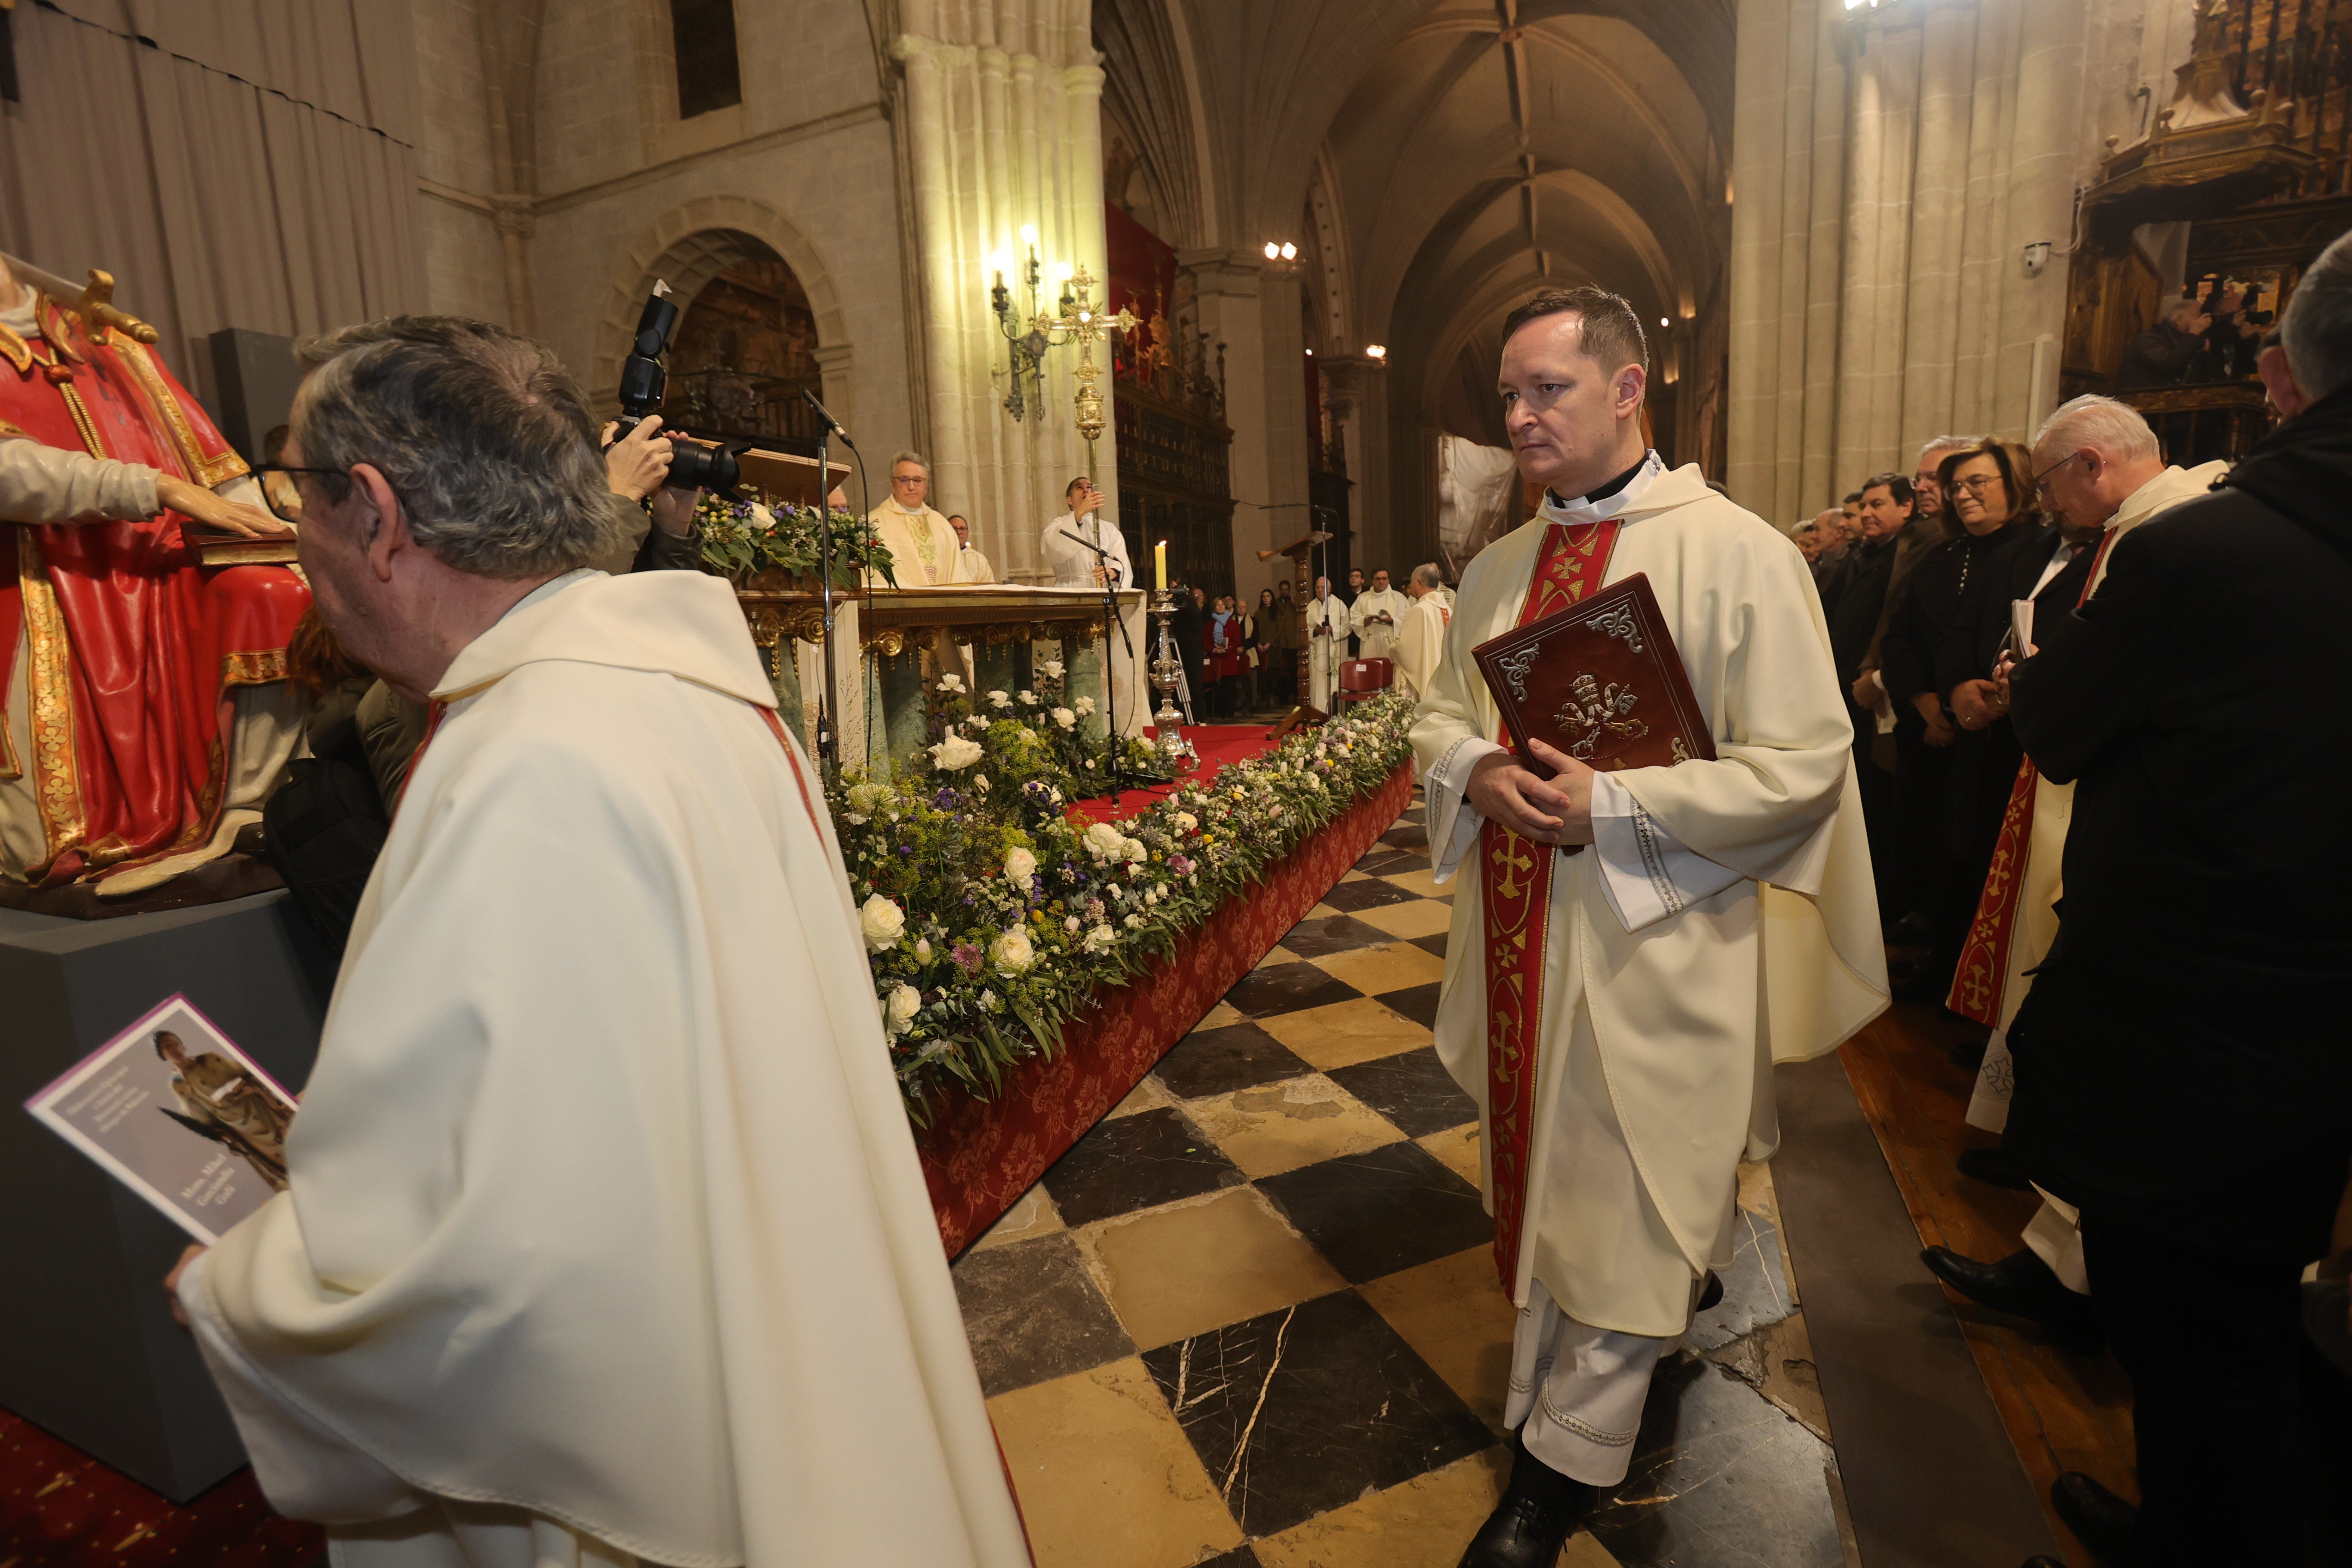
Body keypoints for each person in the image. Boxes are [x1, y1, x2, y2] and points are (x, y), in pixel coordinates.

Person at [162, 316, 1029, 1568]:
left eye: (293, 492)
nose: (288, 539)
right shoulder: (682, 693)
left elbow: (500, 1283)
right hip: (775, 1355)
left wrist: (244, 1296)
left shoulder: (525, 770)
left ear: (372, 512)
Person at [1413, 287, 1885, 1567]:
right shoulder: (1499, 568)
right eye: (1508, 396)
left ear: (1628, 391)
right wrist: (1472, 769)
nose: (1519, 419)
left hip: (1658, 939)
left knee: (1629, 1184)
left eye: (1545, 391)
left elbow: (1805, 766)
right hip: (1520, 934)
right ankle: (1646, 1321)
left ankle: (1558, 1466)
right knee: (1565, 1183)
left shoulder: (1741, 553)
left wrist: (1615, 803)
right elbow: (1435, 713)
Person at [1997, 231, 2352, 1568]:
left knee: (2204, 1339)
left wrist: (2037, 674)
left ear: (2279, 374)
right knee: (2269, 1343)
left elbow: (2065, 725)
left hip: (2209, 1041)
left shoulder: (2207, 551)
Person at [1920, 394, 2226, 1329]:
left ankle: (2087, 1291)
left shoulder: (2172, 537)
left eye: (2050, 484)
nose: (2047, 504)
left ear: (2092, 464)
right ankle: (2062, 1265)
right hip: (2137, 831)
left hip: (2163, 846)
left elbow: (2114, 693)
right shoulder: (2157, 527)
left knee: (2127, 1082)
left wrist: (2040, 682)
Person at [0, 257, 310, 895]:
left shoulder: (103, 336)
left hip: (158, 566)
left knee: (271, 593)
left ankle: (248, 808)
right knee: (41, 845)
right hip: (40, 580)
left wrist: (285, 544)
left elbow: (215, 466)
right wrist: (153, 485)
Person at [1875, 438, 2037, 1001]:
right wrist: (1926, 703)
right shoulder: (1941, 556)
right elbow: (1901, 639)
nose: (1963, 494)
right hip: (1932, 726)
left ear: (2013, 484)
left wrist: (1966, 702)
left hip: (1995, 735)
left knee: (1978, 861)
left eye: (1978, 483)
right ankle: (1941, 960)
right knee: (1935, 849)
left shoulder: (2031, 548)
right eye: (1957, 487)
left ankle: (1967, 975)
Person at [1824, 474, 1913, 921]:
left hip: (1872, 695)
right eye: (1865, 507)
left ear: (1907, 508)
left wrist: (1868, 676)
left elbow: (1888, 624)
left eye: (1878, 504)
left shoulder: (1904, 556)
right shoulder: (1862, 555)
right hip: (1841, 689)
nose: (1866, 514)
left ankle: (1880, 902)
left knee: (1878, 803)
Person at [156, 1029, 291, 1190]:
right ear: (163, 1055)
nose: (174, 1049)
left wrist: (244, 1088)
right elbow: (199, 1116)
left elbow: (244, 1072)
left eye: (175, 1043)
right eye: (167, 1046)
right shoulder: (178, 1085)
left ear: (182, 1045)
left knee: (290, 1138)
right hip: (238, 1128)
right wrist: (221, 1133)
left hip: (259, 1108)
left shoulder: (211, 1059)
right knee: (279, 1161)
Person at [867, 450, 975, 586]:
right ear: (893, 484)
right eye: (904, 480)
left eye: (918, 481)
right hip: (901, 605)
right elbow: (876, 575)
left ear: (926, 486)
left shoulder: (942, 524)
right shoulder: (874, 524)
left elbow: (958, 574)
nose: (911, 487)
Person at [2113, 295, 2211, 392]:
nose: (2201, 323)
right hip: (2139, 399)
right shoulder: (2148, 339)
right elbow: (2169, 362)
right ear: (2179, 319)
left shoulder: (2185, 342)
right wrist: (2193, 334)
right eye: (2198, 318)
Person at [1394, 562, 1452, 701]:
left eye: (1412, 583)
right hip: (1443, 675)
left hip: (1426, 674)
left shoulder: (1420, 609)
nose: (1411, 588)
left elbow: (1406, 650)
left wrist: (1393, 648)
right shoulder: (1448, 610)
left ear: (1419, 583)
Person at [1303, 574, 1346, 711]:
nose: (1321, 590)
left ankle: (1334, 713)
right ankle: (1317, 713)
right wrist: (1316, 631)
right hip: (1316, 651)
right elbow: (1304, 629)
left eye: (1323, 587)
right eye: (1318, 587)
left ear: (1330, 588)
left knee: (1333, 682)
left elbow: (1348, 627)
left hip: (1333, 649)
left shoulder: (1340, 605)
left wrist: (1334, 630)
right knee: (1318, 683)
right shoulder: (1309, 607)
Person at [1350, 568, 1408, 663]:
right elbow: (1354, 617)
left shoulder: (1399, 597)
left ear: (1389, 580)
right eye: (1378, 579)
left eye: (1384, 579)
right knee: (1370, 672)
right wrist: (1364, 621)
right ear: (1373, 581)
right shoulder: (1363, 598)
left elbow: (1407, 619)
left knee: (1389, 672)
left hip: (1389, 642)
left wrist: (1392, 621)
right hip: (1369, 642)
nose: (1381, 582)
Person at [1203, 594, 1243, 717]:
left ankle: (1230, 711)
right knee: (1219, 688)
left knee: (1230, 687)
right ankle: (1220, 711)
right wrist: (1214, 649)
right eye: (1218, 605)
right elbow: (1205, 642)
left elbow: (1237, 641)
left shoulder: (1233, 624)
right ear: (1214, 608)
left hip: (1229, 659)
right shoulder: (1209, 625)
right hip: (1216, 660)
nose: (1220, 607)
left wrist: (1227, 650)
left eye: (1222, 605)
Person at [1271, 578, 1302, 702]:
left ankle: (1295, 693)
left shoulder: (1294, 602)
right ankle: (1283, 695)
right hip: (1282, 641)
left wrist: (1294, 601)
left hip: (1294, 641)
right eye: (1282, 589)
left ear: (1289, 590)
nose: (1284, 591)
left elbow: (1300, 613)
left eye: (1286, 589)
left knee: (1295, 669)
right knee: (1282, 670)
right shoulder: (1276, 602)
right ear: (1279, 590)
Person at [1250, 586, 1279, 707]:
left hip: (1273, 647)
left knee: (1273, 673)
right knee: (1261, 674)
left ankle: (1272, 696)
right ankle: (1262, 698)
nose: (1266, 599)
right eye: (1264, 597)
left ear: (1272, 598)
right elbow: (1254, 630)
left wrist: (1269, 643)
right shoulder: (1258, 613)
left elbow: (1279, 630)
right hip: (1260, 646)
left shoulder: (1277, 612)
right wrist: (1257, 643)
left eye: (1268, 596)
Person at [947, 513, 994, 583]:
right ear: (946, 531)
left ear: (967, 533)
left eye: (962, 529)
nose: (959, 532)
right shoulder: (938, 557)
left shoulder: (979, 559)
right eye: (954, 528)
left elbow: (989, 586)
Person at [1341, 565, 1367, 657]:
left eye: (1357, 576)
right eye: (1352, 576)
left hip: (1365, 631)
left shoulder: (1368, 595)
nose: (1353, 578)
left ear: (1362, 580)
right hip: (1351, 634)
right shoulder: (1344, 597)